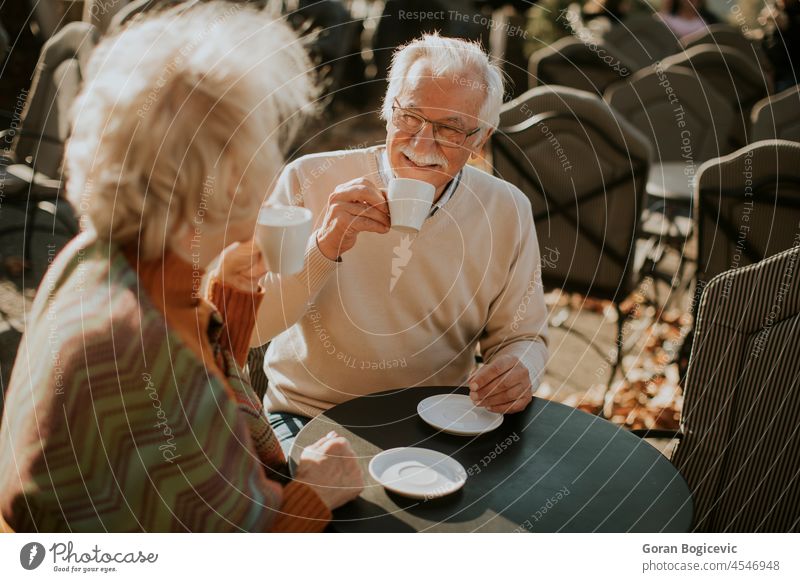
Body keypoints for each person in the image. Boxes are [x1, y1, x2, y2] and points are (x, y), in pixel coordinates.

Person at [0, 1, 362, 532]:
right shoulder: (137, 354)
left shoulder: (94, 257)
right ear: (229, 182)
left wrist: (221, 291)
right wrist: (315, 492)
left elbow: (206, 404)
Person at [223, 33, 549, 452]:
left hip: (440, 419)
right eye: (409, 117)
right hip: (307, 413)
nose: (420, 144)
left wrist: (520, 369)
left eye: (449, 129)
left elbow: (525, 336)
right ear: (388, 110)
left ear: (479, 140)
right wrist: (324, 247)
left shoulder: (507, 210)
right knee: (320, 511)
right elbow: (248, 330)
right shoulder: (307, 181)